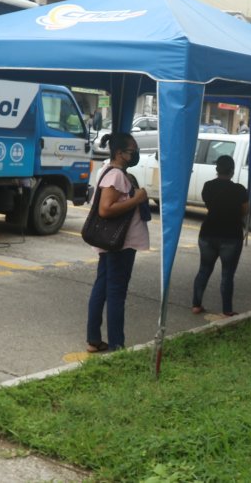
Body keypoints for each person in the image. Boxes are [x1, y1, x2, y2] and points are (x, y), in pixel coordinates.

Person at [86, 132, 150, 352]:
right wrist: (137, 199)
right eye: (132, 151)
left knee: (102, 288)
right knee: (116, 293)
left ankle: (94, 339)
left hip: (112, 243)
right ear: (120, 153)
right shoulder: (116, 176)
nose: (136, 154)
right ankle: (116, 344)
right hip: (119, 245)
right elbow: (106, 209)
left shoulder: (106, 170)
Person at [192, 155, 249, 317]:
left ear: (217, 169)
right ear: (232, 171)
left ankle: (196, 305)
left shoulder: (208, 186)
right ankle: (227, 309)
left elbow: (209, 204)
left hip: (208, 233)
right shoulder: (239, 189)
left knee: (204, 270)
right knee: (227, 274)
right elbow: (245, 210)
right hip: (231, 235)